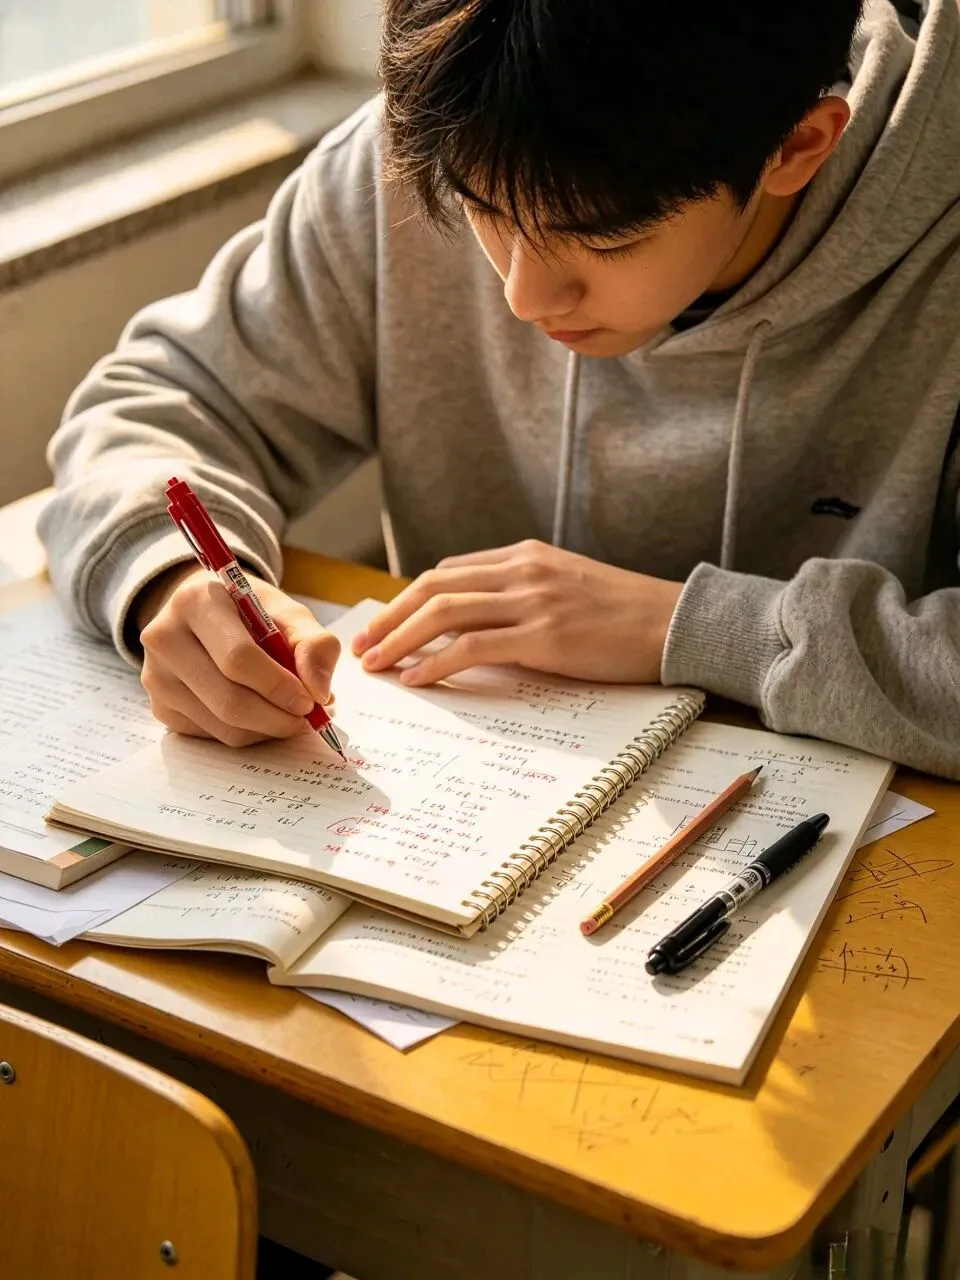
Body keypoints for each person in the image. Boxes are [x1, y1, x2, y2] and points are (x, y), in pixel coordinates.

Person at [39, 0, 960, 775]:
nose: (522, 295)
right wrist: (173, 577)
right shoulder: (439, 142)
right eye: (482, 211)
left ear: (797, 146)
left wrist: (695, 627)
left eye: (601, 240)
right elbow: (157, 402)